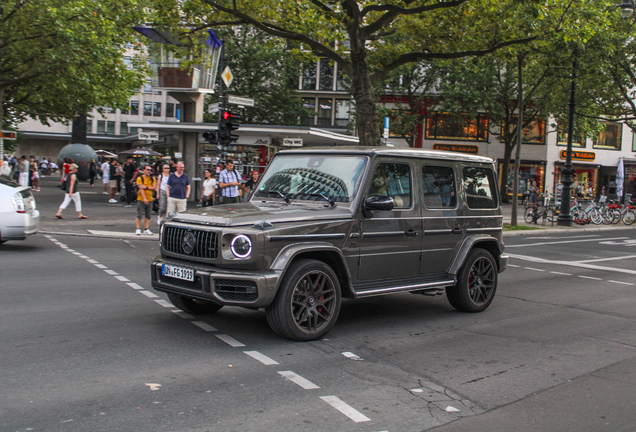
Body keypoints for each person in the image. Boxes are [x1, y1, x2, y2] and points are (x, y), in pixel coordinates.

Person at [135, 165, 156, 235]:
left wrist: (146, 187)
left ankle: (146, 228)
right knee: (139, 214)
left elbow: (154, 187)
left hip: (150, 198)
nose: (149, 171)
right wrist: (144, 198)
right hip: (141, 199)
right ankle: (138, 228)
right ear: (144, 170)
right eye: (147, 169)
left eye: (150, 170)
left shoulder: (153, 179)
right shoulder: (140, 178)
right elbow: (141, 188)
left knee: (148, 215)